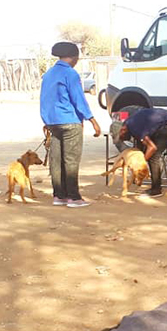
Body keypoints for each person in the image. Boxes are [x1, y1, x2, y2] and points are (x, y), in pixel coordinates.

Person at [40, 41, 102, 208]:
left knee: (56, 161)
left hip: (53, 122)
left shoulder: (49, 74)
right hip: (69, 121)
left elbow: (45, 99)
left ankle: (59, 195)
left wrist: (47, 121)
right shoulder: (71, 74)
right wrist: (92, 120)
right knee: (71, 160)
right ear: (74, 58)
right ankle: (74, 197)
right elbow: (78, 99)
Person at [115, 108, 167, 198]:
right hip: (165, 122)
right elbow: (140, 147)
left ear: (123, 130)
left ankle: (156, 189)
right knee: (148, 153)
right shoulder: (129, 124)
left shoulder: (134, 128)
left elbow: (152, 148)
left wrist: (140, 163)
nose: (124, 139)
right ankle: (154, 185)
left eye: (122, 137)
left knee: (154, 156)